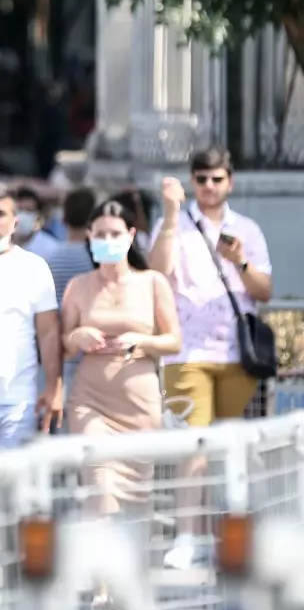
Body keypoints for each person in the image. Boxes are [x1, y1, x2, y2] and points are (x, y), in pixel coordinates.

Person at [148, 147, 273, 568]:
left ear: (229, 181)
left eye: (216, 179)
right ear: (192, 180)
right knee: (192, 448)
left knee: (234, 448)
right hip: (186, 352)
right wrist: (168, 214)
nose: (209, 187)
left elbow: (263, 290)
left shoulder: (249, 229)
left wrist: (240, 262)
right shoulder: (175, 224)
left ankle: (234, 536)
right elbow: (157, 271)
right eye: (201, 179)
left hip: (237, 353)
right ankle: (188, 536)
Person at [62, 201, 180, 516]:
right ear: (89, 235)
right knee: (99, 487)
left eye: (115, 233)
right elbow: (64, 344)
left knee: (137, 500)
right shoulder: (79, 286)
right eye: (100, 234)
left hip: (139, 404)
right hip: (91, 402)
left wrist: (141, 340)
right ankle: (98, 563)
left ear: (130, 235)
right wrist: (78, 336)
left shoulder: (153, 282)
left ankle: (135, 562)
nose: (108, 240)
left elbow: (174, 341)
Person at [0, 184, 62, 448]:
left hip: (17, 402)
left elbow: (49, 333)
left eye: (0, 213)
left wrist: (53, 387)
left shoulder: (34, 267)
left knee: (13, 487)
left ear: (15, 222)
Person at [44, 187, 100, 417]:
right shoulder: (98, 260)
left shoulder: (51, 259)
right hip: (97, 352)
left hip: (61, 353)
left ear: (64, 218)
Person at [13, 185, 62, 261]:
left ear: (37, 217)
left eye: (28, 211)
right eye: (20, 210)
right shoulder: (1, 243)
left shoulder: (52, 248)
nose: (23, 215)